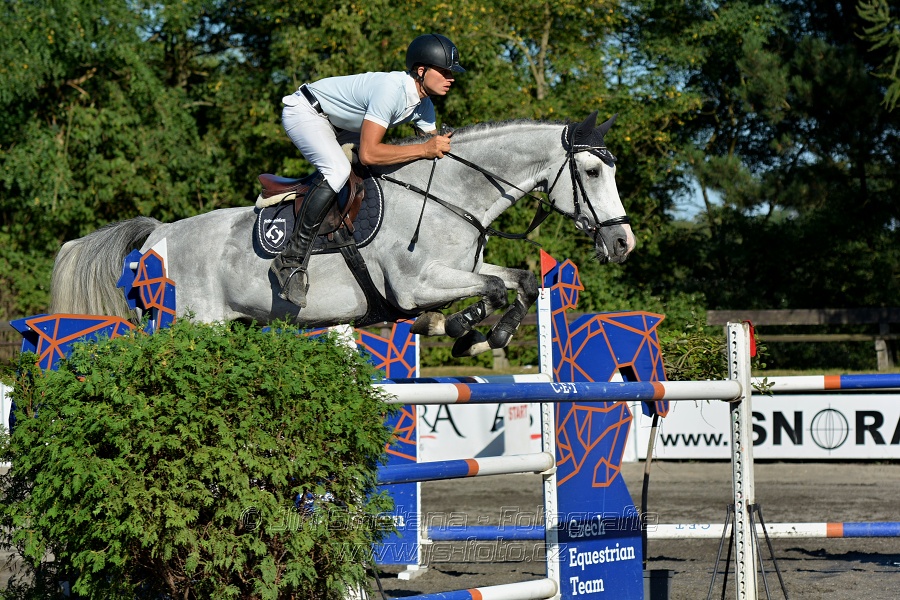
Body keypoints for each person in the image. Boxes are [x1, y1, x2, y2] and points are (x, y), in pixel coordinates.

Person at [272, 33, 465, 308]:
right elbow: (371, 152)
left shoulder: (424, 106)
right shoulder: (391, 90)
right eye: (444, 72)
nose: (451, 78)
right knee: (338, 171)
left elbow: (433, 152)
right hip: (306, 112)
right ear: (421, 71)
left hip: (339, 126)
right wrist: (425, 149)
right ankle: (291, 259)